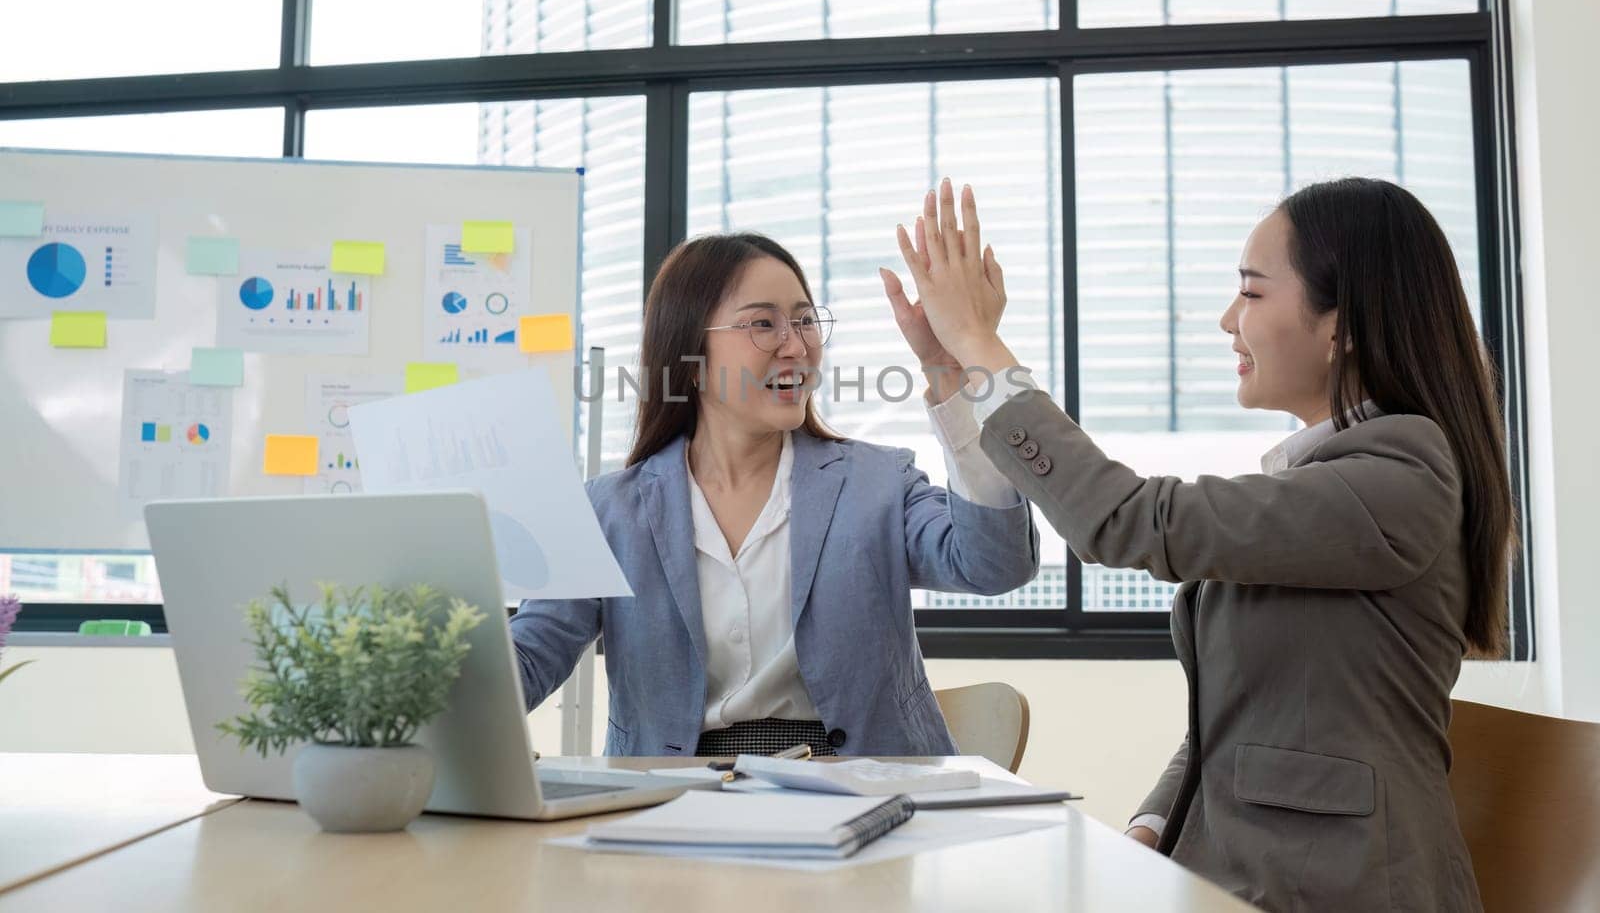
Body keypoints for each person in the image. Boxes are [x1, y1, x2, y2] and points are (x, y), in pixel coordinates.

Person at [883, 177, 1511, 911]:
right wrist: (1150, 827)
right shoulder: (1333, 479)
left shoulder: (1398, 476)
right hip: (1253, 878)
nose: (1225, 320)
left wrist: (982, 346)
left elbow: (1122, 518)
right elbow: (1241, 716)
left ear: (1341, 325)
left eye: (1250, 293)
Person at [510, 231, 1039, 759]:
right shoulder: (609, 512)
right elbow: (530, 659)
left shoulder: (878, 482)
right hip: (675, 810)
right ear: (690, 358)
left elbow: (995, 564)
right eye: (763, 324)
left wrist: (951, 371)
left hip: (867, 804)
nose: (796, 344)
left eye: (805, 320)